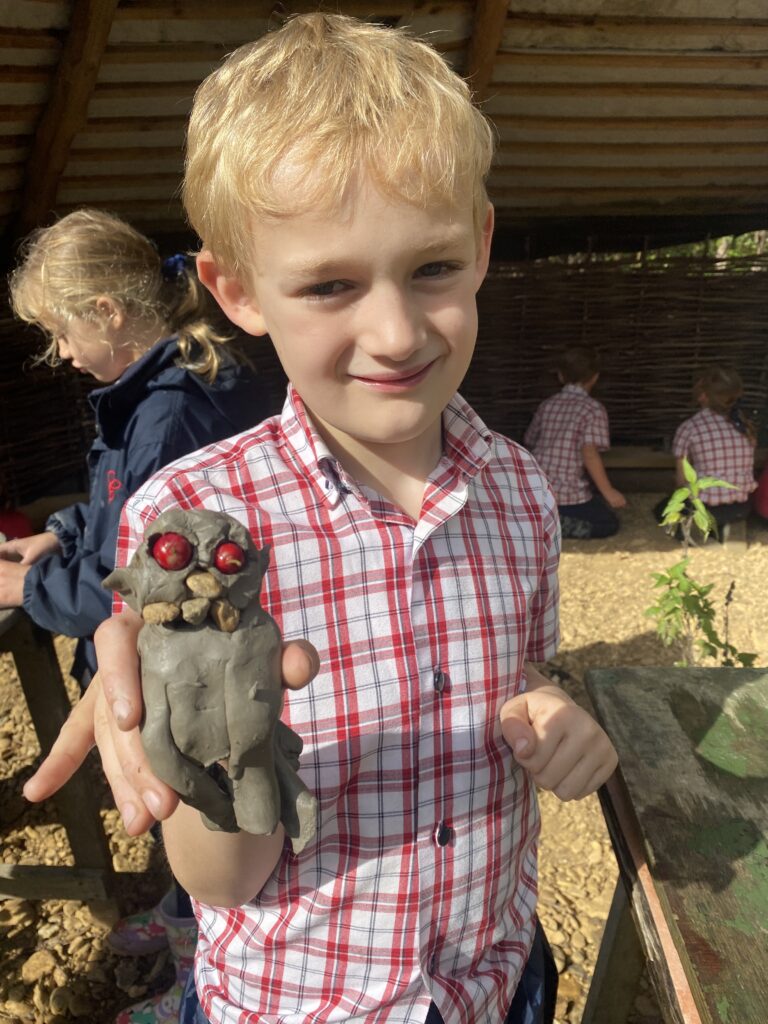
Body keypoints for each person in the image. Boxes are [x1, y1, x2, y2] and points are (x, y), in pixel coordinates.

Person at [23, 16, 618, 1024]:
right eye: (331, 285)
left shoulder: (521, 493)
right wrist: (224, 757)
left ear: (479, 246)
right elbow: (220, 880)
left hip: (492, 984)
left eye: (431, 268)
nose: (395, 331)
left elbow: (516, 670)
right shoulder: (198, 523)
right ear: (238, 289)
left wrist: (547, 710)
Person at [1, 208, 268, 1024]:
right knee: (183, 824)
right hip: (175, 659)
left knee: (202, 814)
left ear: (108, 312)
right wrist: (58, 534)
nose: (64, 354)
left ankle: (198, 987)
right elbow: (117, 510)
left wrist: (22, 591)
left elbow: (141, 586)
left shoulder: (170, 415)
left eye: (63, 333)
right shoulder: (155, 391)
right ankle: (183, 923)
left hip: (190, 664)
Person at [524, 345, 626, 539]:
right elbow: (589, 453)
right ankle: (558, 526)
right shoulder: (593, 409)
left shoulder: (548, 404)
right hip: (569, 495)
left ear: (561, 376)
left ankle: (541, 522)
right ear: (595, 377)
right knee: (607, 524)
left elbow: (530, 440)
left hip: (537, 489)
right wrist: (609, 492)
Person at [655, 364, 757, 535]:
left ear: (702, 396)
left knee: (661, 509)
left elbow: (681, 481)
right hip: (741, 508)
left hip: (706, 508)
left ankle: (693, 533)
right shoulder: (745, 427)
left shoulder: (689, 428)